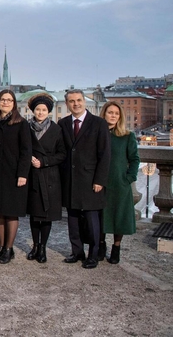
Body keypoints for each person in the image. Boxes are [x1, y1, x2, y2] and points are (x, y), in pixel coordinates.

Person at [59, 89, 111, 269]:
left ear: (84, 101)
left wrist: (100, 180)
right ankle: (77, 252)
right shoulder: (63, 123)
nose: (76, 104)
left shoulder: (98, 123)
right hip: (70, 179)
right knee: (72, 219)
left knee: (92, 219)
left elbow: (105, 155)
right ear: (67, 104)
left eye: (79, 100)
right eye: (72, 101)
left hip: (90, 180)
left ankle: (93, 255)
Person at [0, 89, 32, 264]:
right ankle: (1, 245)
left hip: (14, 175)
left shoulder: (21, 123)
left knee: (11, 213)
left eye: (9, 100)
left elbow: (26, 151)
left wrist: (22, 174)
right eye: (3, 100)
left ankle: (8, 248)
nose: (5, 103)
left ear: (14, 103)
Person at [25, 93, 66, 264]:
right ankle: (35, 245)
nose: (40, 112)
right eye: (37, 109)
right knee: (35, 215)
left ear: (48, 112)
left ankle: (43, 248)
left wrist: (43, 162)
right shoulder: (26, 128)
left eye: (44, 110)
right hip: (33, 176)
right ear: (33, 111)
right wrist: (28, 159)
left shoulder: (56, 130)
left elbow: (62, 154)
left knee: (47, 215)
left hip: (50, 177)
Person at [99, 101, 139, 265]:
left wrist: (129, 178)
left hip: (120, 184)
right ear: (104, 114)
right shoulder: (98, 134)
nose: (113, 115)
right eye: (110, 112)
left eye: (116, 113)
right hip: (100, 183)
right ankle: (100, 246)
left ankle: (116, 247)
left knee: (119, 217)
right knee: (100, 216)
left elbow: (135, 159)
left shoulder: (127, 136)